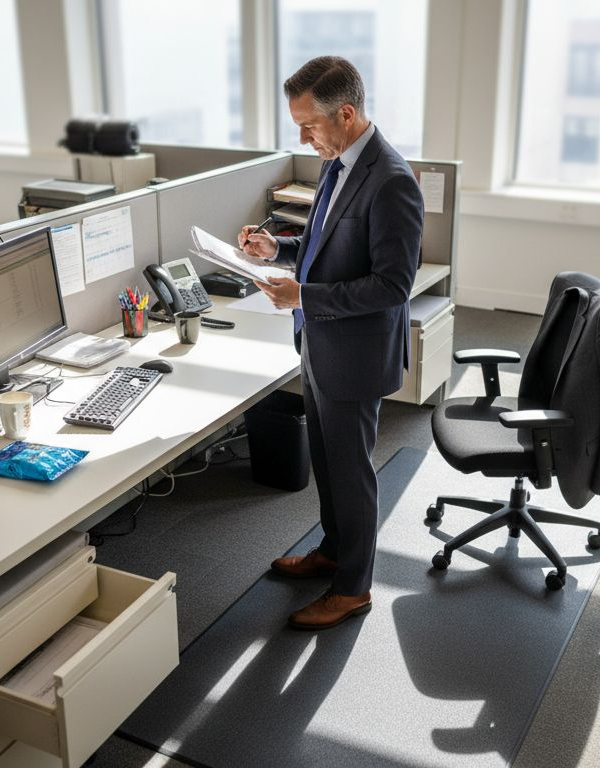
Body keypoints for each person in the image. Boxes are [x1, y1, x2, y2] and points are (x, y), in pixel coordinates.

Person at [239, 56, 423, 630]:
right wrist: (281, 251)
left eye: (308, 126)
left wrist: (305, 299)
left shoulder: (392, 180)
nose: (302, 138)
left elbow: (393, 284)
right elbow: (327, 243)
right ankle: (333, 550)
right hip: (319, 345)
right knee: (326, 460)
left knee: (351, 472)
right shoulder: (338, 161)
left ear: (345, 114)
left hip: (354, 354)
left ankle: (353, 588)